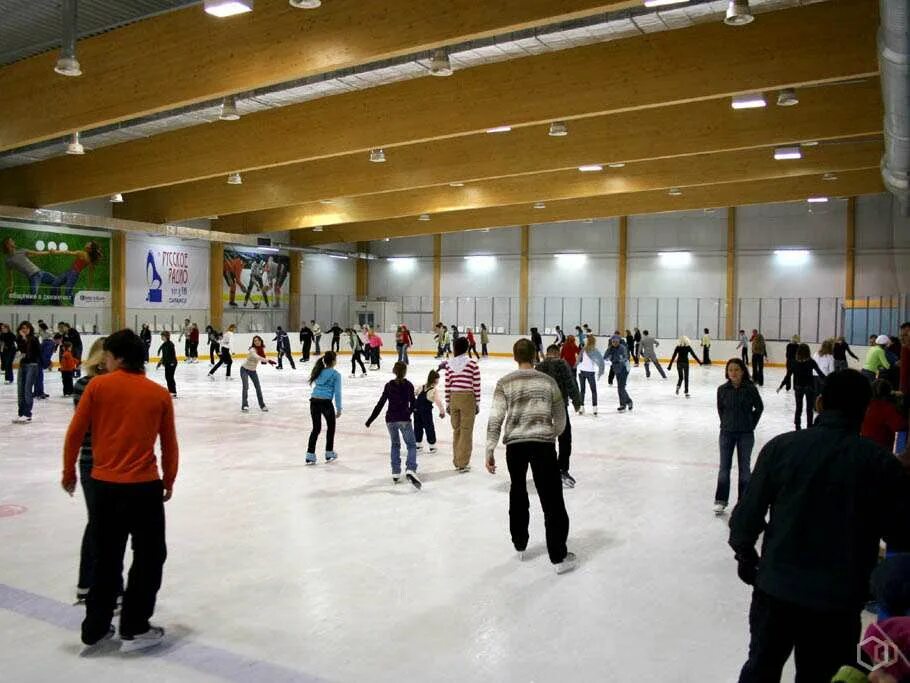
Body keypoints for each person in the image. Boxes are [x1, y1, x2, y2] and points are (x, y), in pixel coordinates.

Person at [728, 369, 910, 683]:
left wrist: (745, 555)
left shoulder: (781, 448)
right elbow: (900, 532)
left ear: (820, 403)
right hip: (837, 602)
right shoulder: (879, 463)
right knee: (822, 675)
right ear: (865, 409)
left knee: (761, 667)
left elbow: (747, 516)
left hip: (776, 590)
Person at [61, 329, 178, 651]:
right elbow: (169, 445)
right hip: (144, 489)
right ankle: (135, 624)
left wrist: (69, 471)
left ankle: (96, 628)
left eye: (109, 357)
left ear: (119, 357)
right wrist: (168, 480)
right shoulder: (158, 394)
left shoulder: (97, 386)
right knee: (150, 556)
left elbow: (75, 433)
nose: (106, 363)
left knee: (106, 557)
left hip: (104, 487)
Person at [485, 338, 575, 574]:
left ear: (515, 357)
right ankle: (558, 556)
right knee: (552, 500)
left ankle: (520, 543)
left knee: (518, 491)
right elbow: (561, 416)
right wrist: (551, 434)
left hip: (515, 445)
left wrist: (490, 449)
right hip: (543, 445)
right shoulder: (548, 382)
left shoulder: (504, 383)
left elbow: (495, 418)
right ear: (536, 356)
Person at [71, 337, 112, 605]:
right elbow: (85, 427)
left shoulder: (108, 384)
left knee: (102, 523)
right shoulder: (86, 385)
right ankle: (92, 584)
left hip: (108, 462)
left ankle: (93, 584)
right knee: (100, 524)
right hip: (93, 462)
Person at [714, 358, 763, 516]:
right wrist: (726, 422)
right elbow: (720, 409)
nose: (733, 373)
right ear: (727, 373)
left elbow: (759, 407)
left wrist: (751, 424)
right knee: (724, 468)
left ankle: (744, 501)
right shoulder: (722, 389)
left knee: (744, 469)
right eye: (730, 370)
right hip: (726, 433)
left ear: (742, 371)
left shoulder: (750, 389)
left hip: (745, 434)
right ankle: (721, 500)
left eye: (736, 370)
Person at [366, 361, 421, 489]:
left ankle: (396, 472)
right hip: (404, 419)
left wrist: (370, 420)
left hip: (390, 420)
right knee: (412, 445)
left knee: (395, 445)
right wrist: (411, 411)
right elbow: (413, 404)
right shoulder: (408, 385)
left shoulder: (389, 385)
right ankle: (411, 468)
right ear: (405, 371)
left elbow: (380, 404)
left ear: (394, 371)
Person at [536, 344, 582, 488]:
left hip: (543, 407)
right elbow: (570, 383)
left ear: (548, 353)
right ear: (557, 353)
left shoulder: (539, 366)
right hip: (560, 406)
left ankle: (546, 468)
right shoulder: (562, 364)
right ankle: (562, 469)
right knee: (565, 437)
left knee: (546, 438)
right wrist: (577, 401)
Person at [444, 337, 481, 473]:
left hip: (454, 397)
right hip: (467, 397)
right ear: (466, 348)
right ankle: (463, 462)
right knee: (466, 431)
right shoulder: (472, 364)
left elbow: (447, 384)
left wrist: (448, 401)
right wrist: (477, 402)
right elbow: (476, 384)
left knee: (457, 430)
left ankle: (457, 460)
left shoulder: (449, 364)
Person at [305, 352, 341, 465]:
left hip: (314, 401)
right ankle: (329, 452)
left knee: (316, 428)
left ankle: (310, 454)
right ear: (334, 361)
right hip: (326, 403)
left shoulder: (318, 371)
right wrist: (339, 408)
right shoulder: (335, 374)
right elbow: (338, 393)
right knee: (331, 427)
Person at [2, 237, 56, 305]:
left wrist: (49, 252)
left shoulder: (22, 251)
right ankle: (15, 305)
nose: (14, 242)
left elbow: (37, 253)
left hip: (41, 273)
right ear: (7, 245)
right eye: (11, 241)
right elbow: (10, 277)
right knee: (32, 297)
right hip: (33, 277)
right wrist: (10, 290)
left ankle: (56, 303)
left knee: (57, 281)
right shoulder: (8, 261)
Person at [861, 380, 908, 452]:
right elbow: (901, 426)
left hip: (864, 447)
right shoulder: (886, 408)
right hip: (881, 451)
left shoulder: (866, 404)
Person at [789, 343, 826, 430]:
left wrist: (782, 384)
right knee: (809, 408)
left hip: (798, 387)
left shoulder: (794, 362)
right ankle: (809, 426)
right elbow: (820, 373)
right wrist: (829, 381)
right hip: (809, 387)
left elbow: (788, 375)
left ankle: (797, 426)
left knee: (799, 407)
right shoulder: (811, 362)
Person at [13, 321, 41, 424]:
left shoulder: (34, 339)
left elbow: (36, 353)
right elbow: (20, 350)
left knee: (27, 390)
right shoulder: (19, 339)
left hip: (32, 366)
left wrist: (25, 339)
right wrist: (22, 339)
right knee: (20, 390)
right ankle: (21, 413)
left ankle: (27, 414)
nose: (24, 330)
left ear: (30, 329)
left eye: (26, 328)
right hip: (22, 366)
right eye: (22, 328)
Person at [414, 369, 445, 454]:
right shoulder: (433, 390)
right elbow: (438, 401)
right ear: (435, 379)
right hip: (425, 411)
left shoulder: (422, 387)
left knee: (418, 427)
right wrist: (442, 411)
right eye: (438, 379)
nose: (438, 381)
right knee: (429, 427)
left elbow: (415, 393)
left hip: (416, 410)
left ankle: (418, 445)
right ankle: (432, 446)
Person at [240, 336, 275, 413]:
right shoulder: (252, 349)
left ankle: (262, 405)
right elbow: (257, 357)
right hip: (244, 369)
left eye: (258, 340)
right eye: (255, 341)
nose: (256, 342)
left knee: (258, 388)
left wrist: (265, 361)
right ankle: (244, 405)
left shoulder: (261, 349)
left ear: (260, 341)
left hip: (253, 371)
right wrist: (268, 360)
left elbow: (262, 359)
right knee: (245, 386)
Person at [577, 335, 605, 416]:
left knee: (582, 391)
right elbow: (600, 361)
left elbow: (579, 359)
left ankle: (581, 408)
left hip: (582, 371)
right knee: (593, 391)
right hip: (590, 372)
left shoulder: (583, 349)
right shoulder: (594, 350)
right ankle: (594, 408)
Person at [605, 334, 633, 411]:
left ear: (618, 341)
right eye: (613, 342)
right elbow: (605, 357)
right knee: (622, 388)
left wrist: (615, 359)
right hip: (617, 369)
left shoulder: (622, 348)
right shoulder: (610, 348)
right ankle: (629, 401)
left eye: (616, 341)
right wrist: (609, 357)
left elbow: (624, 358)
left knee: (620, 388)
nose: (614, 343)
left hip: (624, 369)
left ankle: (622, 405)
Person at [156, 332, 178, 398]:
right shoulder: (164, 344)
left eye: (162, 336)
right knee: (167, 377)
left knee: (170, 377)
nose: (161, 337)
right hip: (167, 363)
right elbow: (164, 355)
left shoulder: (170, 344)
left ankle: (173, 392)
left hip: (172, 363)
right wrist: (160, 362)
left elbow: (172, 354)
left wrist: (172, 362)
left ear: (166, 336)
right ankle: (170, 391)